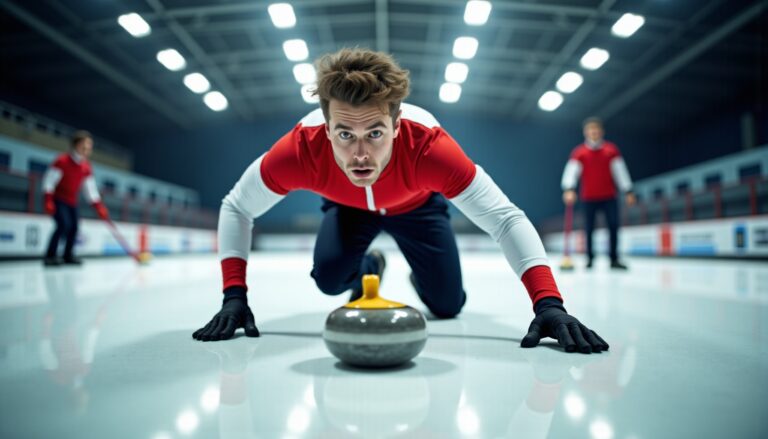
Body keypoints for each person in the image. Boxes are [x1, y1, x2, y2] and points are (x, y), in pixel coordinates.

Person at [193, 49, 609, 354]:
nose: (359, 155)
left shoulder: (431, 148)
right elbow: (237, 207)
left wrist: (548, 304)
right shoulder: (299, 149)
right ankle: (368, 266)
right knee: (329, 280)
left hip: (418, 209)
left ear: (396, 124)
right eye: (344, 135)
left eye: (374, 133)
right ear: (325, 127)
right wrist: (234, 296)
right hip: (348, 210)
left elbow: (505, 218)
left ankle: (414, 275)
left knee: (447, 306)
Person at [561, 118, 636, 270]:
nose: (594, 132)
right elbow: (571, 173)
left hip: (609, 196)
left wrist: (628, 190)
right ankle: (589, 258)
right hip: (588, 197)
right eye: (590, 129)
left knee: (613, 225)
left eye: (596, 129)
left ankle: (614, 259)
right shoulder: (579, 153)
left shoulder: (611, 150)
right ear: (585, 132)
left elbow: (620, 172)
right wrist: (569, 189)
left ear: (601, 131)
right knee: (589, 228)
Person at [42, 131, 109, 266]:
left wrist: (98, 206)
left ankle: (68, 255)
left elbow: (89, 189)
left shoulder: (86, 167)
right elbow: (49, 181)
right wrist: (48, 200)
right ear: (76, 145)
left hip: (72, 201)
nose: (88, 150)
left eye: (90, 147)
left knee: (74, 227)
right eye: (86, 146)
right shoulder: (62, 161)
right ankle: (50, 256)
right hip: (58, 199)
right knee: (63, 225)